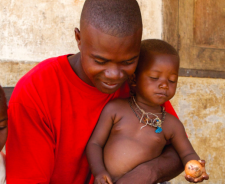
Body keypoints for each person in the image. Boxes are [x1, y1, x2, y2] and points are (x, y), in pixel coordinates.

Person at [6, 0, 199, 184]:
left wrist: (148, 173)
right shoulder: (37, 90)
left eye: (127, 62)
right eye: (100, 61)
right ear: (79, 39)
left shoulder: (140, 83)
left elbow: (178, 149)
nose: (114, 75)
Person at [86, 39, 209, 184]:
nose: (164, 85)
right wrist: (99, 171)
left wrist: (196, 168)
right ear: (133, 79)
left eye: (172, 80)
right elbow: (94, 144)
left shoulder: (172, 125)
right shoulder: (115, 109)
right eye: (154, 78)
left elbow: (187, 153)